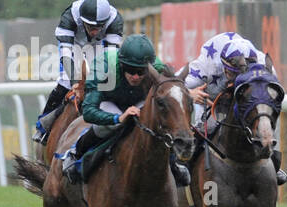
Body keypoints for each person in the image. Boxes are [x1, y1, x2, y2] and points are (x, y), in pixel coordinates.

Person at [60, 34, 190, 187]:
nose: (135, 76)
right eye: (130, 70)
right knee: (112, 125)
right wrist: (119, 118)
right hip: (109, 101)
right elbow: (88, 111)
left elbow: (173, 90)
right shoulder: (104, 65)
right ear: (121, 64)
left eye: (141, 72)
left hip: (138, 102)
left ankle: (173, 164)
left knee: (159, 120)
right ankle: (76, 153)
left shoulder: (157, 66)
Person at [185, 31, 287, 184]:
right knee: (205, 128)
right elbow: (175, 89)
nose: (234, 79)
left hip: (245, 99)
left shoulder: (263, 66)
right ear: (223, 66)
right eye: (231, 73)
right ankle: (188, 166)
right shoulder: (205, 65)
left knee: (266, 118)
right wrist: (190, 94)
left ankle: (273, 163)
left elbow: (273, 100)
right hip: (212, 99)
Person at [34, 0, 123, 143]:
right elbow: (66, 55)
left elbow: (111, 59)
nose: (95, 31)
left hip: (99, 46)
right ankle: (43, 127)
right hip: (73, 43)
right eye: (90, 27)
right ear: (82, 21)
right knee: (65, 82)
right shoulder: (70, 16)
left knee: (106, 81)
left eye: (99, 27)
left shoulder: (114, 21)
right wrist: (76, 82)